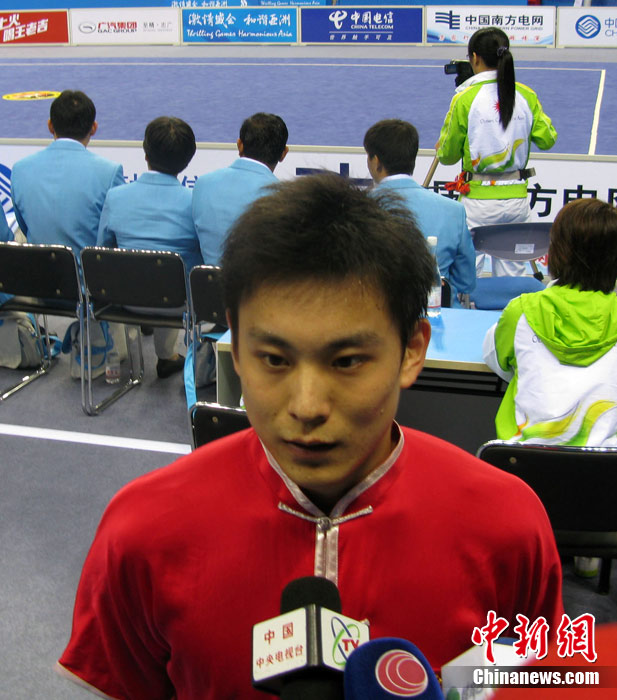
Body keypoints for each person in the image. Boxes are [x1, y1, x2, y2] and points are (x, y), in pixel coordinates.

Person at [58, 173, 563, 699]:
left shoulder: (508, 527)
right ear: (235, 343)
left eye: (347, 361)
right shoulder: (140, 532)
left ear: (412, 350)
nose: (306, 407)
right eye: (274, 359)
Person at [483, 197, 617, 447]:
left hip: (522, 463)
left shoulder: (521, 312)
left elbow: (498, 361)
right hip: (611, 466)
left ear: (556, 250)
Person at [436, 27, 557, 277]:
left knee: (469, 274)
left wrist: (443, 146)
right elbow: (547, 139)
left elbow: (447, 156)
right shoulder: (526, 95)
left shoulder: (465, 98)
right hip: (517, 201)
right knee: (512, 272)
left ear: (475, 58)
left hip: (477, 203)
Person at [97, 116, 202, 379]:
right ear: (188, 159)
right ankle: (167, 355)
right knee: (177, 269)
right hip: (180, 304)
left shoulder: (116, 197)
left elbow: (101, 253)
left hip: (126, 300)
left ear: (145, 153)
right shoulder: (196, 202)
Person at [364, 118, 475, 305]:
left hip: (376, 313)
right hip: (440, 313)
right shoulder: (454, 211)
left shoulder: (356, 208)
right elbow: (467, 282)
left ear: (375, 161)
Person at [10, 90, 124, 256]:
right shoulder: (110, 173)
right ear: (94, 128)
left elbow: (24, 224)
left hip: (36, 270)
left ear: (50, 126)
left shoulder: (20, 170)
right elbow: (116, 233)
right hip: (87, 272)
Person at [192, 112, 288, 264]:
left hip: (207, 279)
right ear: (284, 153)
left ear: (239, 145)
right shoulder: (285, 198)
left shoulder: (202, 184)